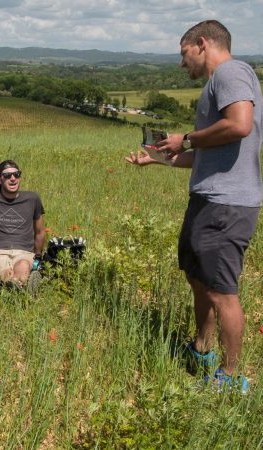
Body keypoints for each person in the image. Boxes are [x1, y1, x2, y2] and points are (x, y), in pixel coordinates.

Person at [125, 20, 262, 391]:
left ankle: (231, 379)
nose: (182, 64)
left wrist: (184, 138)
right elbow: (205, 154)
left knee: (221, 290)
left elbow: (240, 124)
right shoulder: (215, 85)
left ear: (202, 44)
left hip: (227, 204)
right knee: (198, 278)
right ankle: (202, 349)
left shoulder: (232, 72)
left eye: (183, 54)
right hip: (208, 198)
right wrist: (158, 158)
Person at [0, 160, 45, 289]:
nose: (12, 178)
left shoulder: (32, 199)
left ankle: (14, 285)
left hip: (24, 252)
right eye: (7, 175)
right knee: (4, 271)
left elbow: (39, 231)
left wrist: (38, 256)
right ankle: (20, 285)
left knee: (23, 265)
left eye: (16, 174)